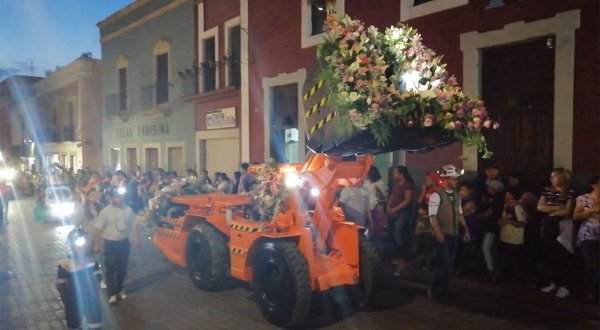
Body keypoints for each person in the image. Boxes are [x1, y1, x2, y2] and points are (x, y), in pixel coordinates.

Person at [428, 165, 470, 301]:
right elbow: (432, 216)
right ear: (445, 179)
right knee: (441, 264)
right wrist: (438, 233)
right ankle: (434, 290)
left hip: (454, 234)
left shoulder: (457, 195)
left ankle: (445, 289)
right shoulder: (436, 196)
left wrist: (466, 230)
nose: (456, 182)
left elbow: (460, 214)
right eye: (453, 179)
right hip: (443, 235)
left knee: (449, 264)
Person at [94, 187, 140, 305]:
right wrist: (97, 244)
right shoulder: (105, 211)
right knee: (110, 269)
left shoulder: (128, 210)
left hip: (124, 243)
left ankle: (119, 289)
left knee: (122, 269)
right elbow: (98, 229)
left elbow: (133, 225)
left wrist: (136, 238)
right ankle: (112, 294)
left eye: (121, 196)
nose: (120, 199)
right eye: (117, 197)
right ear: (110, 198)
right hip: (110, 244)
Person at [537, 168, 576, 298]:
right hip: (549, 225)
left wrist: (551, 210)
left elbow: (567, 211)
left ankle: (565, 285)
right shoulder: (547, 191)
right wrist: (557, 208)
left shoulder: (570, 192)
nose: (551, 179)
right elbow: (540, 207)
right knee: (550, 255)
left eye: (554, 176)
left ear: (562, 177)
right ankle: (553, 282)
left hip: (562, 225)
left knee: (562, 255)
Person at [57, 227, 103, 330]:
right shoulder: (65, 264)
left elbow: (98, 278)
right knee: (75, 323)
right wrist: (69, 301)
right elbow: (61, 286)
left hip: (91, 299)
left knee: (95, 323)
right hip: (73, 300)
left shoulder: (92, 261)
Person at [573, 175, 599, 302]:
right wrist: (592, 210)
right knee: (591, 265)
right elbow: (576, 216)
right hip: (588, 236)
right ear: (594, 184)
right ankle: (590, 292)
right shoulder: (584, 199)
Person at [387, 166, 415, 269]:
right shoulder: (396, 184)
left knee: (399, 235)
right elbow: (392, 196)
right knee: (394, 234)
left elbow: (407, 201)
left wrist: (395, 209)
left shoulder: (408, 185)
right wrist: (388, 206)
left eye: (395, 173)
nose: (394, 175)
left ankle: (404, 258)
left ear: (401, 174)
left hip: (403, 213)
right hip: (394, 212)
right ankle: (398, 257)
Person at [497, 188, 527, 283]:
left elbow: (522, 224)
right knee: (504, 261)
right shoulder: (506, 206)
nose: (505, 197)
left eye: (507, 195)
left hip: (514, 240)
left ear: (511, 195)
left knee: (513, 262)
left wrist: (508, 221)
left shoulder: (518, 208)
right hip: (505, 237)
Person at [477, 179, 505, 281]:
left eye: (490, 187)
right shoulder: (492, 198)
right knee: (488, 248)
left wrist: (478, 216)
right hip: (489, 226)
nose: (488, 188)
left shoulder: (496, 199)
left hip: (491, 227)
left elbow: (490, 213)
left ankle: (491, 270)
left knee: (486, 248)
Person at [413, 172, 440, 270]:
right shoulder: (426, 190)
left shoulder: (437, 191)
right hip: (423, 218)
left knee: (429, 242)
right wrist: (423, 191)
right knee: (419, 237)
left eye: (427, 180)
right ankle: (421, 259)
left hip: (432, 218)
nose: (425, 182)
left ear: (433, 180)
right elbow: (419, 202)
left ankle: (429, 263)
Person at [363, 166, 387, 238]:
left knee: (376, 227)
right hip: (367, 208)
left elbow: (382, 198)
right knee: (367, 226)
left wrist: (378, 191)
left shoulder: (380, 183)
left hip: (376, 207)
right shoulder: (366, 182)